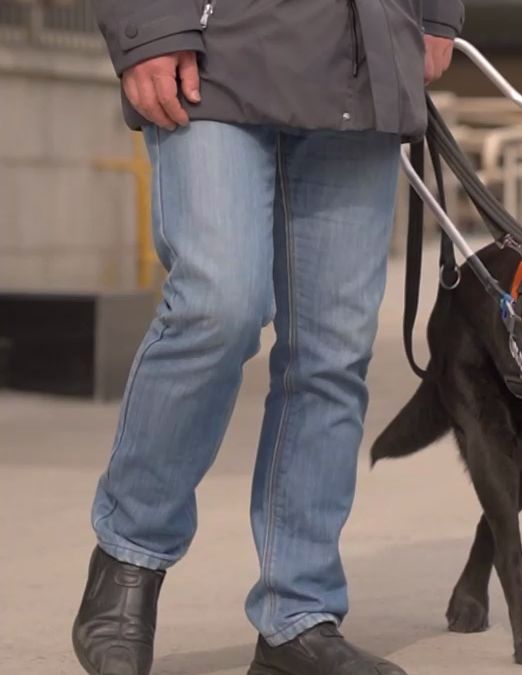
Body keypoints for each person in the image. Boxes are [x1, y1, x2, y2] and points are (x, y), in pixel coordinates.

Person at [72, 1, 463, 673]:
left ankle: (299, 613)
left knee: (332, 351)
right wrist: (145, 27)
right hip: (209, 42)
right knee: (216, 305)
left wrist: (435, 12)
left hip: (362, 49)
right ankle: (129, 556)